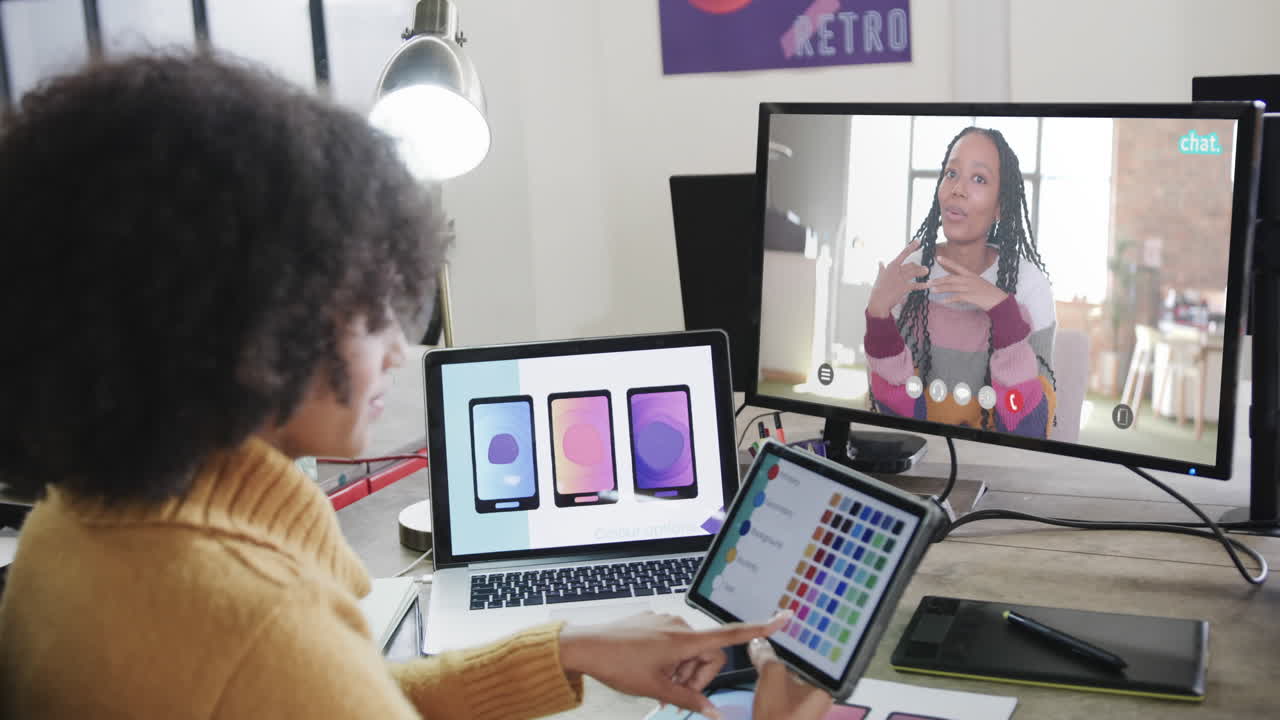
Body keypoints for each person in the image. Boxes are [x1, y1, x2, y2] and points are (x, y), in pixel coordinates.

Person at [0, 55, 833, 720]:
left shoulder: (70, 526)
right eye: (370, 310)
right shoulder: (256, 627)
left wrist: (567, 649)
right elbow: (299, 680)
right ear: (247, 321)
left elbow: (342, 696)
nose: (401, 350)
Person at [864, 127, 1057, 438]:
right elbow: (892, 423)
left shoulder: (1029, 287)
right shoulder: (907, 276)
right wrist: (878, 318)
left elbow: (1030, 431)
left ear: (1000, 206)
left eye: (979, 178)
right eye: (951, 174)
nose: (958, 189)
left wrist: (1004, 313)